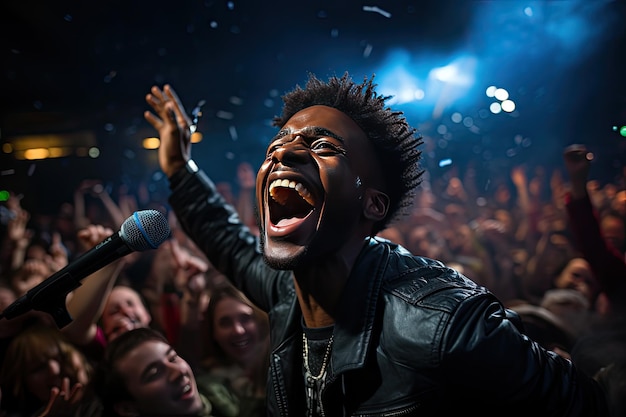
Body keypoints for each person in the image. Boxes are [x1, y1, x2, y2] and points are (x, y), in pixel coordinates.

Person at [145, 73, 609, 415]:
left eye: (324, 146)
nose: (283, 152)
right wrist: (178, 168)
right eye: (276, 146)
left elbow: (585, 404)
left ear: (372, 204)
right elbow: (227, 241)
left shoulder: (444, 322)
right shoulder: (288, 293)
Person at [93, 327, 238, 417]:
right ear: (127, 408)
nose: (179, 371)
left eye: (173, 358)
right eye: (155, 373)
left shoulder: (225, 397)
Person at [195, 284, 270, 417]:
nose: (238, 330)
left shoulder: (285, 365)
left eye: (245, 318)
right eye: (225, 323)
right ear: (213, 332)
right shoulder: (209, 388)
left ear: (260, 320)